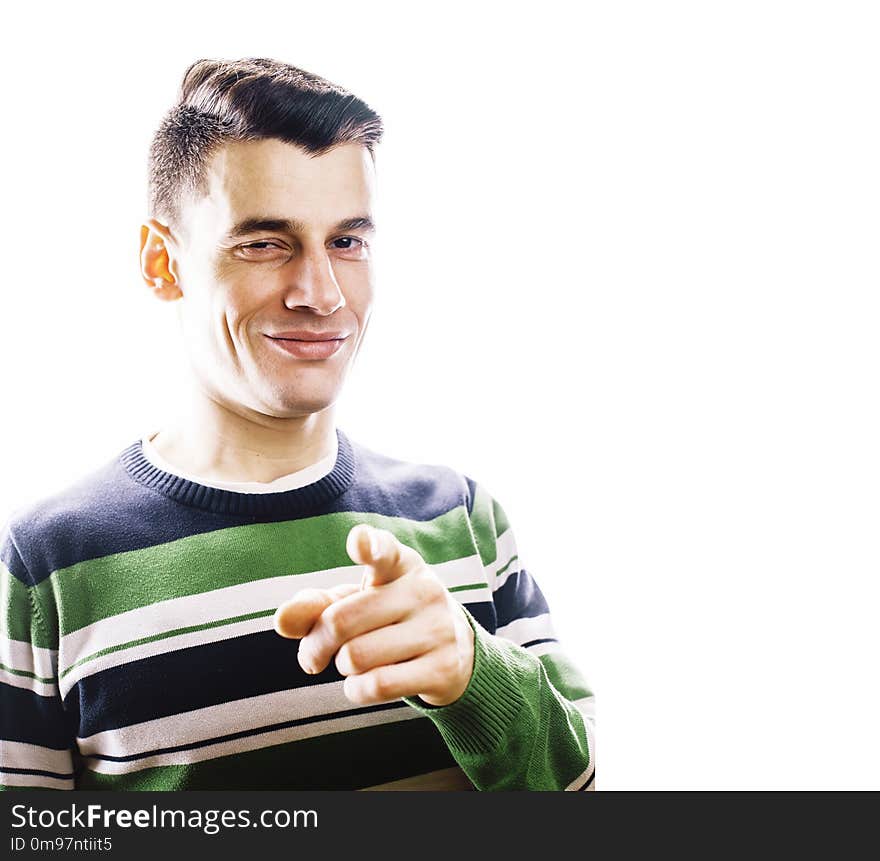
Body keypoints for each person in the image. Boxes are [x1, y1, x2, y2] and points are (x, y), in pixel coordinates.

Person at [0, 57, 595, 791]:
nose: (320, 293)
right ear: (163, 262)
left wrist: (477, 678)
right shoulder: (47, 567)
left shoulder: (464, 520)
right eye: (264, 242)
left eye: (346, 241)